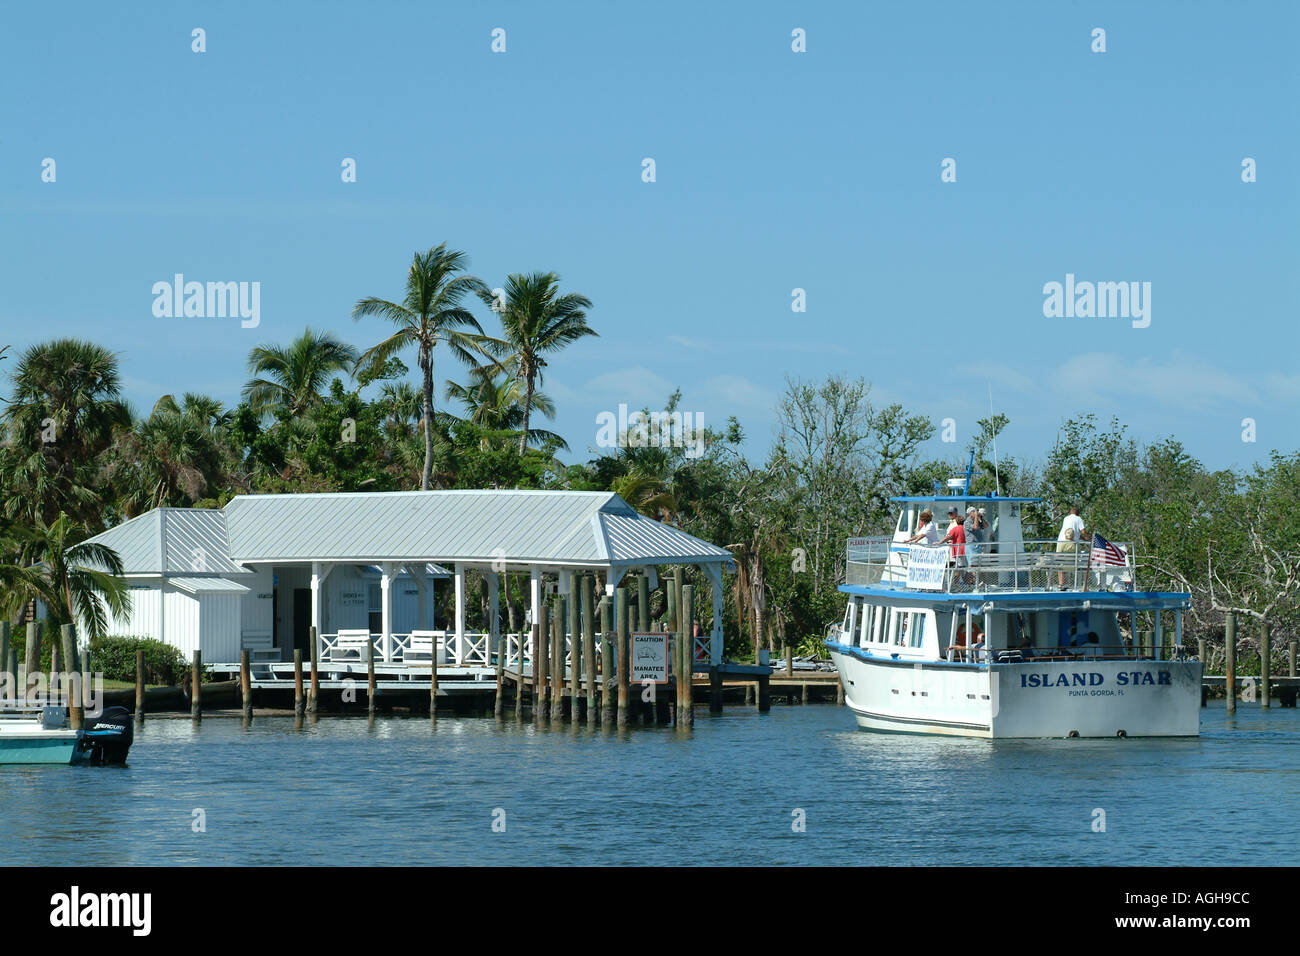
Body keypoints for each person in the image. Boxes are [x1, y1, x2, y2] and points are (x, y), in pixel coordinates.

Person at [1056, 505, 1086, 589]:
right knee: (1072, 562)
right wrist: (1088, 539)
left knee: (1059, 562)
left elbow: (1074, 533)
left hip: (1060, 542)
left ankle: (1061, 584)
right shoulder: (1079, 519)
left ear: (1070, 513)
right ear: (1078, 514)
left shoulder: (1066, 518)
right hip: (1072, 544)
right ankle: (1067, 583)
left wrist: (1083, 538)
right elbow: (1082, 531)